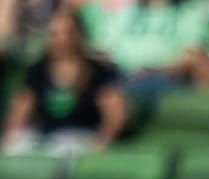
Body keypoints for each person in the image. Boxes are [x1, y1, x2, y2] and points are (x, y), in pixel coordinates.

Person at [2, 8, 127, 155]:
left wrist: (101, 142)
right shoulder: (37, 71)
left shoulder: (99, 71)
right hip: (46, 137)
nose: (63, 39)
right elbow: (20, 109)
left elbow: (115, 116)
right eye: (55, 34)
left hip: (82, 136)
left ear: (80, 34)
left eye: (68, 32)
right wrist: (9, 138)